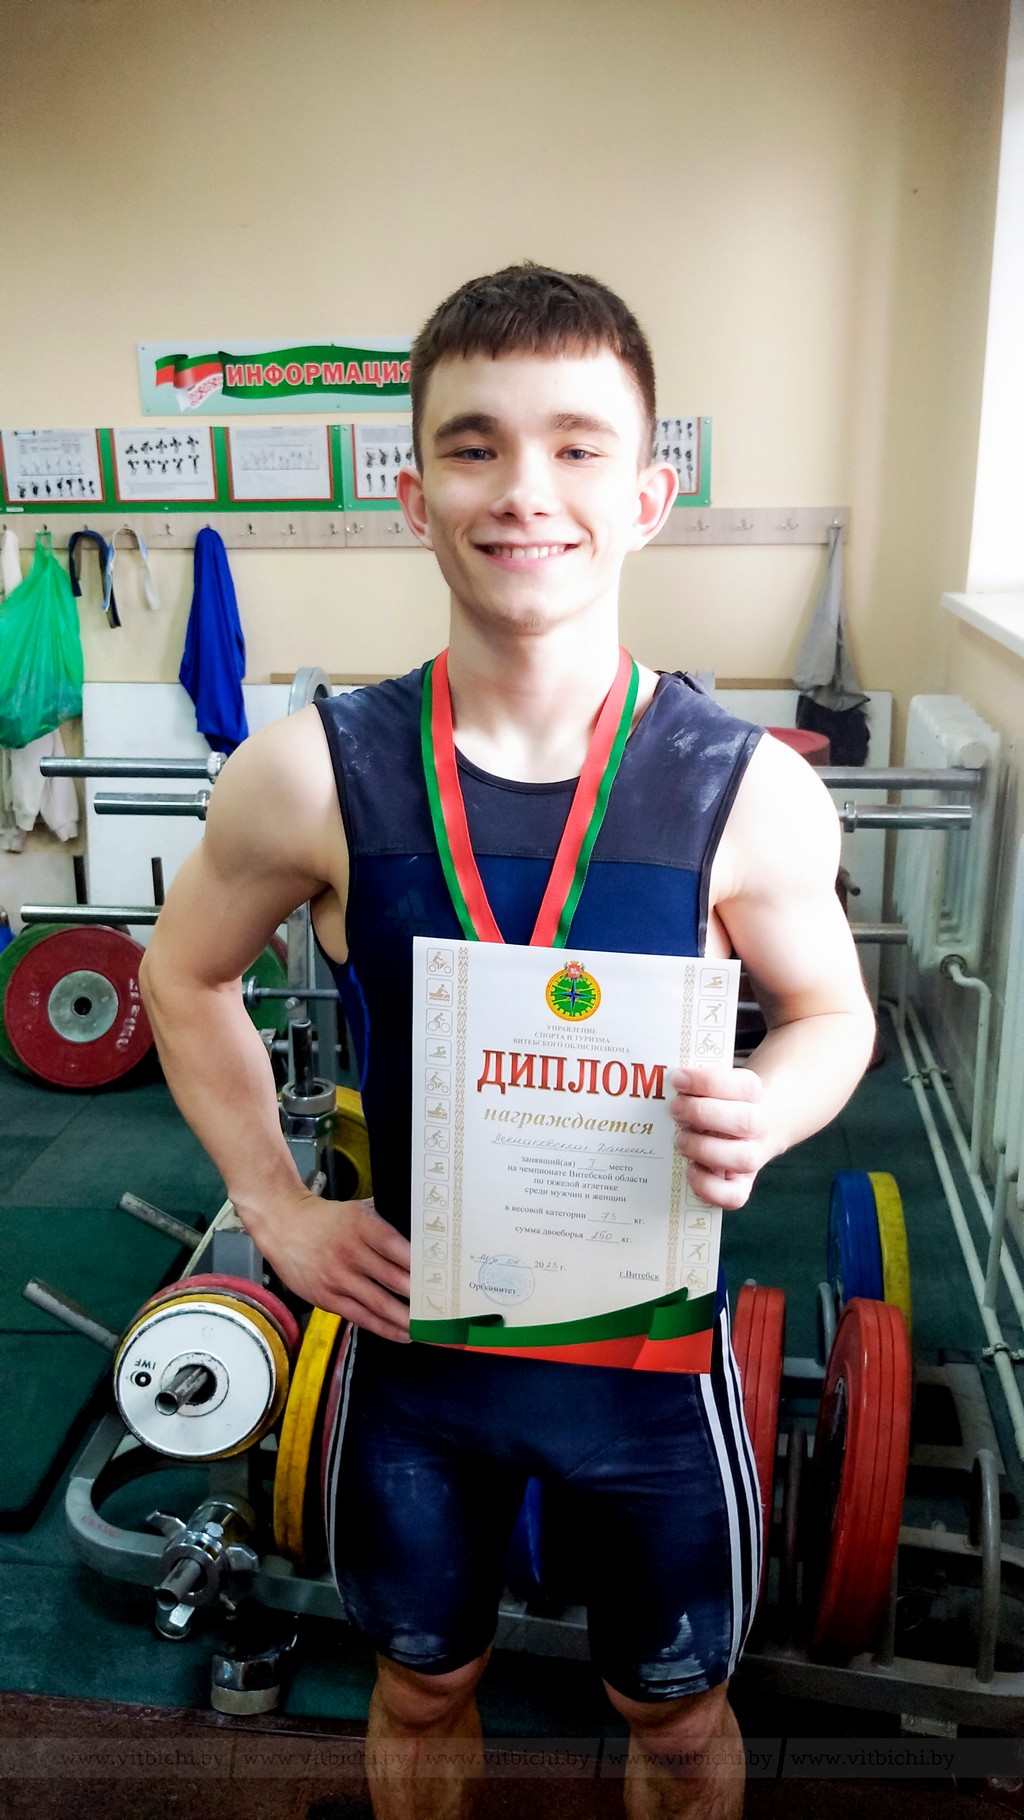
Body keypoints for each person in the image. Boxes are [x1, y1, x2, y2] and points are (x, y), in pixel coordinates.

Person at [141, 263, 876, 1820]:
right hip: (417, 1368)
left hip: (650, 1376)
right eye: (474, 447)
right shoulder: (311, 774)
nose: (525, 490)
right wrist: (277, 1207)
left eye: (577, 446)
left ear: (649, 495)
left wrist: (769, 1103)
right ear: (415, 495)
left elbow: (832, 1015)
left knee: (676, 1724)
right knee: (419, 1689)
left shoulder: (747, 787)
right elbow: (181, 976)